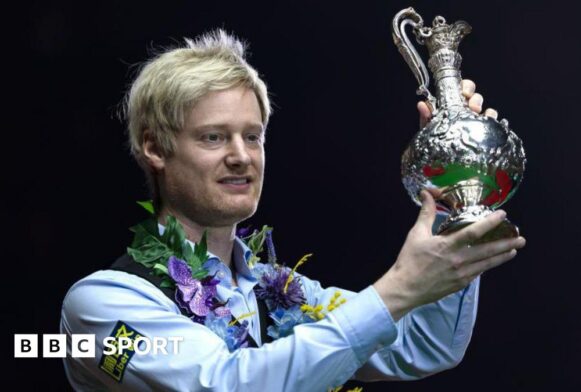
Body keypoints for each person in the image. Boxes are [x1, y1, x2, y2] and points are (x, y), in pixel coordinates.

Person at [60, 29, 526, 391]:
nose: (241, 156)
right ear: (154, 148)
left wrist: (451, 187)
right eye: (213, 137)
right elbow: (226, 383)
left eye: (253, 135)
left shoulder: (281, 290)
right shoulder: (99, 307)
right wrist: (396, 290)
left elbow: (425, 344)